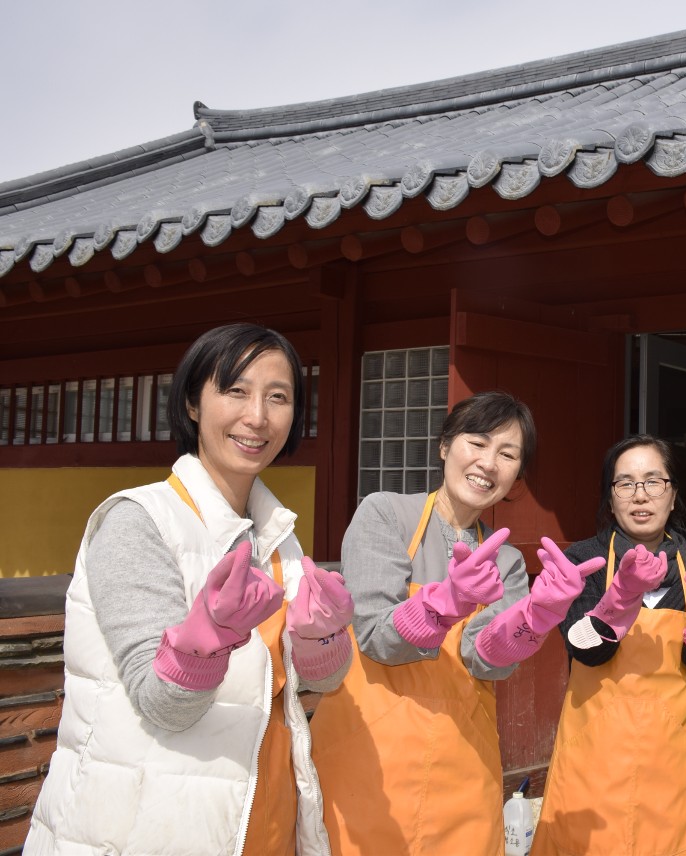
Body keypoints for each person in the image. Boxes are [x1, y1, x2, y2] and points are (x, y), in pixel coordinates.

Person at [25, 323, 354, 856]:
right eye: (237, 391)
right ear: (193, 404)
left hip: (263, 818)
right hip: (149, 826)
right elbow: (164, 705)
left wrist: (325, 638)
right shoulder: (138, 521)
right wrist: (208, 639)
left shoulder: (278, 536)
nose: (258, 417)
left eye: (279, 397)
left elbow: (324, 681)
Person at [309, 391, 604, 855]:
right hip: (367, 759)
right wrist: (445, 602)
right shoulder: (384, 514)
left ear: (516, 477)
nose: (489, 463)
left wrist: (537, 617)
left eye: (508, 454)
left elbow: (485, 659)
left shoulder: (505, 560)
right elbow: (373, 636)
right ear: (446, 446)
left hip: (461, 762)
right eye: (477, 442)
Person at [532, 434, 686, 856]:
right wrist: (619, 598)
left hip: (674, 752)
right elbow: (585, 650)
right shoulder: (584, 560)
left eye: (653, 481)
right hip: (596, 753)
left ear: (673, 493)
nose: (640, 495)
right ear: (610, 499)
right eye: (625, 483)